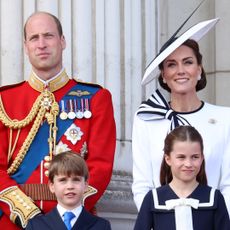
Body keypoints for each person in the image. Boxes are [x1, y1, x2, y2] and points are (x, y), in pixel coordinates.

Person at [0, 12, 116, 229]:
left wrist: (64, 215)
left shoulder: (96, 98)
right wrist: (30, 216)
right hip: (14, 222)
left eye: (49, 36)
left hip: (74, 221)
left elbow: (100, 166)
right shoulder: (5, 100)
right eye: (34, 38)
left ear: (62, 42)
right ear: (26, 46)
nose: (41, 44)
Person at [132, 17, 230, 214]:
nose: (181, 71)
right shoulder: (146, 119)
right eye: (171, 64)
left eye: (188, 62)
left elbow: (228, 184)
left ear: (199, 70)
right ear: (163, 76)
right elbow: (142, 186)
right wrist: (160, 222)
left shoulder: (225, 118)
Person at [134, 126, 230, 230]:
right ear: (168, 159)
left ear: (202, 158)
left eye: (195, 157)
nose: (188, 164)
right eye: (181, 157)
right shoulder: (153, 198)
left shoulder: (215, 198)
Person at [26, 151, 112, 230]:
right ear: (52, 186)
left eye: (76, 180)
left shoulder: (101, 226)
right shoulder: (36, 226)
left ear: (86, 185)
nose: (70, 186)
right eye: (63, 180)